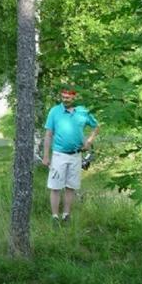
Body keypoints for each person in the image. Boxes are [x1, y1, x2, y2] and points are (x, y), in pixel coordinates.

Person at [42, 88, 99, 225]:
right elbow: (48, 134)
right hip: (59, 155)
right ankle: (55, 217)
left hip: (76, 155)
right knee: (55, 187)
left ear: (74, 97)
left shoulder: (83, 111)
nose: (65, 99)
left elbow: (96, 126)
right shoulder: (55, 111)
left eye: (68, 97)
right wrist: (46, 156)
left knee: (70, 186)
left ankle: (66, 215)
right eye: (63, 97)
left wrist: (89, 141)